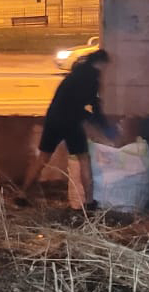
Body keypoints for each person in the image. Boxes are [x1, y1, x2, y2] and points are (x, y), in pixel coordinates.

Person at [20, 49, 114, 211]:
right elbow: (93, 107)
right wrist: (107, 129)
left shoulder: (74, 75)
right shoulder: (92, 79)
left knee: (42, 157)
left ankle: (22, 194)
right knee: (83, 159)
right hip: (71, 122)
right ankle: (89, 202)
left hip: (53, 118)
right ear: (102, 64)